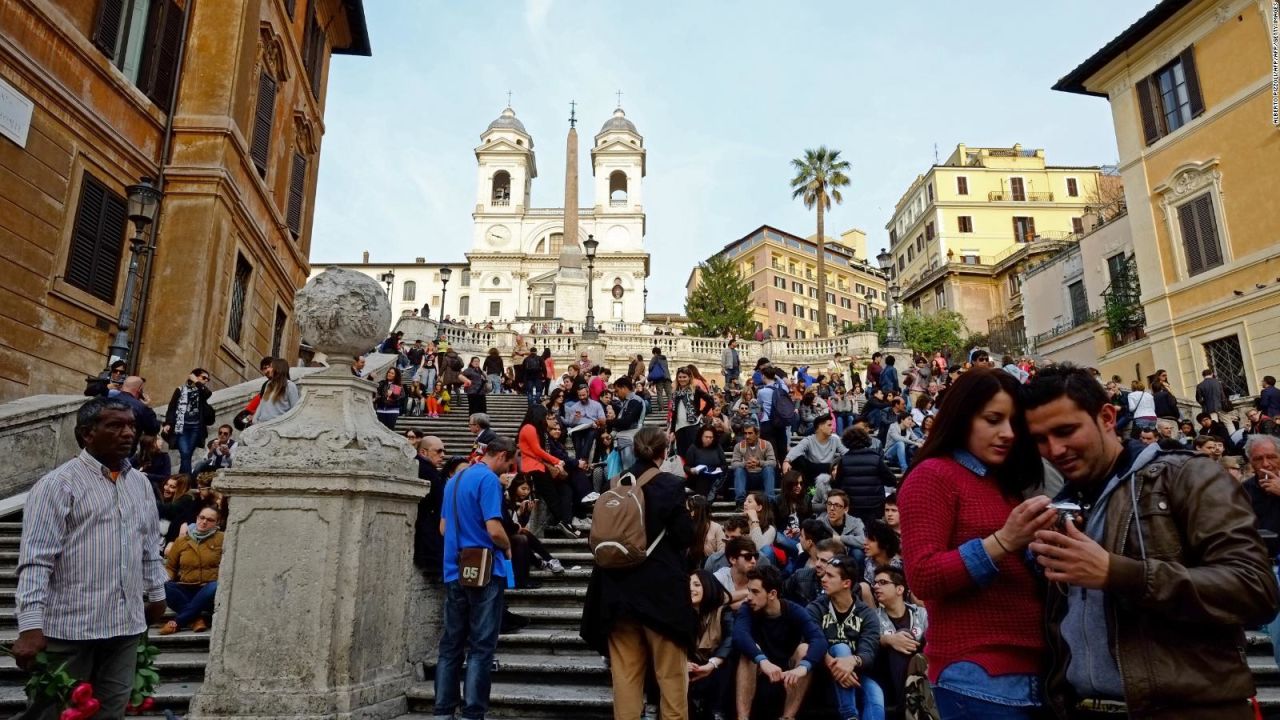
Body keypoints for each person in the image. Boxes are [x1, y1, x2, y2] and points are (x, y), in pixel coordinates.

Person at [1025, 364, 1278, 719]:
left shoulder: (1189, 475)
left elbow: (1255, 590)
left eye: (1066, 431)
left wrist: (1118, 573)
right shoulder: (1066, 505)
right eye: (1040, 439)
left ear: (1108, 417)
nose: (1055, 449)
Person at [898, 368, 1056, 719]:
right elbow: (922, 576)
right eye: (993, 419)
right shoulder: (933, 475)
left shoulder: (1005, 484)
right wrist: (1003, 542)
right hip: (976, 677)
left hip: (1038, 674)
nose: (1008, 434)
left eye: (1014, 422)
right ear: (962, 418)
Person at [14, 397, 168, 719]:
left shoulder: (140, 484)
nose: (128, 433)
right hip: (69, 629)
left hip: (125, 626)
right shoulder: (57, 485)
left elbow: (150, 546)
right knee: (55, 712)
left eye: (131, 426)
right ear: (87, 434)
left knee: (110, 712)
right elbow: (36, 561)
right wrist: (30, 625)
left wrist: (157, 593)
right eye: (115, 425)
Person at [581, 428, 696, 720]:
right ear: (662, 452)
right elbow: (686, 536)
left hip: (616, 593)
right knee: (671, 679)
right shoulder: (671, 485)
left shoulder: (615, 484)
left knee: (625, 680)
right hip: (660, 594)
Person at [433, 436, 517, 720]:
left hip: (454, 568)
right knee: (481, 647)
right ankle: (473, 712)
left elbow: (444, 528)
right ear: (502, 455)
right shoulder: (488, 481)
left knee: (451, 645)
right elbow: (494, 528)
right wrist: (507, 546)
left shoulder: (454, 480)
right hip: (483, 569)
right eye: (510, 463)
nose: (509, 469)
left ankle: (443, 710)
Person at [732, 565, 827, 720]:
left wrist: (804, 667)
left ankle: (787, 717)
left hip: (788, 669)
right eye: (749, 590)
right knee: (748, 651)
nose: (749, 597)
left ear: (772, 594)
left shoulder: (793, 610)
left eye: (755, 592)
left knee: (804, 649)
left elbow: (819, 639)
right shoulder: (747, 608)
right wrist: (762, 660)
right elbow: (739, 635)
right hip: (760, 667)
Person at [808, 557, 883, 720]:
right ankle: (850, 716)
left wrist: (852, 661)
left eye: (830, 576)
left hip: (857, 676)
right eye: (824, 575)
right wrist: (838, 666)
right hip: (824, 677)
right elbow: (812, 642)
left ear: (846, 583)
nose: (823, 578)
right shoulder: (815, 608)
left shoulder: (867, 614)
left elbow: (868, 653)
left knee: (876, 698)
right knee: (841, 648)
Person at [869, 566, 928, 720]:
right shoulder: (872, 618)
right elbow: (865, 644)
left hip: (920, 675)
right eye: (875, 583)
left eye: (882, 582)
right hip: (887, 679)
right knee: (901, 639)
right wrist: (888, 640)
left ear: (899, 589)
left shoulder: (921, 613)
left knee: (915, 642)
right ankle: (907, 708)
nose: (876, 586)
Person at [159, 506, 223, 635]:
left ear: (217, 523)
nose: (204, 522)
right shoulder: (182, 540)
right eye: (202, 517)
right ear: (197, 518)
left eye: (210, 520)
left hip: (209, 591)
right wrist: (166, 579)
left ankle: (178, 621)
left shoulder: (222, 539)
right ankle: (196, 619)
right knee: (164, 586)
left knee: (215, 586)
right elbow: (171, 567)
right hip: (186, 589)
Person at [517, 405, 573, 538]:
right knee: (552, 496)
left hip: (535, 466)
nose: (544, 419)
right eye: (543, 416)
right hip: (534, 468)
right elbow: (537, 450)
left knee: (554, 494)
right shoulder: (529, 428)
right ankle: (563, 522)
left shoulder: (531, 428)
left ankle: (562, 521)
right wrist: (556, 461)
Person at [689, 569, 735, 720]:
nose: (691, 588)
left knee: (730, 660)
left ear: (708, 586)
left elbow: (731, 638)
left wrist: (712, 663)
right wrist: (683, 662)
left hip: (717, 665)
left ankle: (718, 712)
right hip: (690, 665)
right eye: (688, 584)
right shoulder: (682, 613)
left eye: (696, 584)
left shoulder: (724, 611)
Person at [828, 427, 896, 526]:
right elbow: (892, 480)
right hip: (874, 505)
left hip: (852, 506)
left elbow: (837, 483)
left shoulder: (844, 460)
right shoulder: (876, 459)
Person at [164, 368, 214, 475]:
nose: (206, 381)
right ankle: (187, 481)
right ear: (194, 376)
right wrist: (168, 423)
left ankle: (183, 481)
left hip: (196, 428)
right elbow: (172, 408)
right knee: (185, 453)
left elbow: (208, 394)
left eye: (207, 379)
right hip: (182, 427)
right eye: (204, 378)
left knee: (186, 455)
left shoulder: (201, 392)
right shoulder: (180, 389)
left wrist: (197, 382)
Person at [412, 435, 448, 578]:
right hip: (427, 535)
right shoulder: (426, 471)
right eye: (438, 451)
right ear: (423, 452)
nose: (443, 455)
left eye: (443, 451)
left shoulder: (426, 469)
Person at [783, 414, 845, 490]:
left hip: (828, 470)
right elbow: (797, 449)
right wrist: (786, 461)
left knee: (842, 461)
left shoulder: (835, 440)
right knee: (797, 459)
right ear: (820, 427)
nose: (832, 428)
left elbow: (846, 453)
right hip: (812, 471)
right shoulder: (809, 440)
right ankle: (803, 487)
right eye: (829, 425)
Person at [668, 366, 716, 457]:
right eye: (680, 377)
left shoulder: (695, 389)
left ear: (689, 377)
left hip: (693, 426)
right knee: (681, 455)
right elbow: (674, 413)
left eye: (684, 377)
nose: (682, 379)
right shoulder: (675, 392)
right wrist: (672, 430)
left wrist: (701, 413)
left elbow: (710, 401)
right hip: (679, 427)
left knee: (693, 453)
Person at [731, 425, 778, 505]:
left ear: (757, 434)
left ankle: (770, 501)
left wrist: (759, 463)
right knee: (739, 470)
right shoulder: (739, 446)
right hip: (747, 478)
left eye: (750, 433)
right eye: (745, 433)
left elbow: (773, 462)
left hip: (761, 478)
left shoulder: (766, 444)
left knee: (769, 469)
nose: (747, 436)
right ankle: (740, 502)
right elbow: (734, 464)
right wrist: (745, 464)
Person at [609, 376, 646, 470]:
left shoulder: (635, 400)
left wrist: (608, 422)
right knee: (626, 472)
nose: (616, 394)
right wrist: (612, 435)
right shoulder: (627, 402)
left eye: (617, 391)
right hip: (625, 441)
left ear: (624, 388)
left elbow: (626, 422)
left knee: (630, 472)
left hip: (631, 441)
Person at [713, 535, 760, 609]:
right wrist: (748, 592)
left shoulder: (760, 578)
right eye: (748, 557)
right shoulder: (719, 578)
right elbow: (709, 600)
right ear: (733, 560)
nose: (753, 561)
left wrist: (727, 606)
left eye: (755, 556)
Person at [820, 490, 867, 558]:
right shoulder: (821, 522)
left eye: (837, 505)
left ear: (846, 509)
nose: (832, 508)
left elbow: (864, 541)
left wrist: (840, 538)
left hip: (850, 560)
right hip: (828, 559)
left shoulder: (855, 522)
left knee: (857, 553)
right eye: (829, 504)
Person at [685, 427, 729, 499]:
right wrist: (691, 470)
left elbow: (724, 465)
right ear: (701, 437)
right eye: (706, 437)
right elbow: (686, 466)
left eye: (711, 437)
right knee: (704, 478)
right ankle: (704, 501)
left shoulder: (717, 447)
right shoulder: (694, 448)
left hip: (715, 475)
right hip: (699, 477)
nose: (708, 439)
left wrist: (720, 469)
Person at [255, 358, 300, 425]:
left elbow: (294, 410)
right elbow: (262, 404)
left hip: (276, 427)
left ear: (278, 369)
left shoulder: (290, 386)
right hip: (261, 425)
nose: (269, 370)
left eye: (271, 367)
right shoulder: (268, 384)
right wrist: (255, 420)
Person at [1196, 367, 1233, 432]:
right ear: (1212, 374)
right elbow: (1226, 393)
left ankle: (1217, 439)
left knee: (1214, 425)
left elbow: (1199, 399)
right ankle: (1234, 437)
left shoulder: (1200, 386)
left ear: (1203, 376)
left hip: (1209, 408)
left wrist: (1204, 404)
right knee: (1228, 423)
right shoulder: (1219, 383)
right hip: (1222, 406)